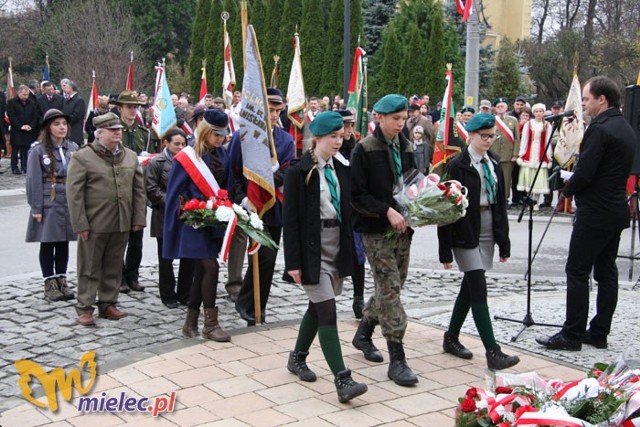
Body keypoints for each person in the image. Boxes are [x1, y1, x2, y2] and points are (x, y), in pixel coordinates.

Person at [536, 76, 635, 351]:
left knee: (577, 270)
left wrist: (567, 190)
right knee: (606, 271)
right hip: (615, 208)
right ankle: (599, 332)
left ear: (601, 100)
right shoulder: (625, 127)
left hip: (596, 211)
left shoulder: (600, 129)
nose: (583, 104)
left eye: (587, 99)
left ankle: (572, 334)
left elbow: (587, 172)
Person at [283, 111, 368, 403]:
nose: (339, 141)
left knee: (316, 306)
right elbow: (291, 221)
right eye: (333, 136)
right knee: (328, 310)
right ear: (316, 137)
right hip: (311, 249)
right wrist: (292, 262)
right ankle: (343, 380)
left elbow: (352, 207)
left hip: (336, 244)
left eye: (341, 135)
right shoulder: (299, 171)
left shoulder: (341, 168)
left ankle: (297, 358)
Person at [437, 113, 520, 370]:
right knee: (478, 286)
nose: (488, 141)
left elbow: (500, 204)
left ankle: (451, 337)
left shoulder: (493, 162)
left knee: (470, 285)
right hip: (465, 229)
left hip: (487, 227)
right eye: (483, 136)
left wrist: (503, 242)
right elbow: (446, 208)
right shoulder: (458, 165)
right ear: (470, 136)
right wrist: (445, 249)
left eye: (492, 136)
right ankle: (492, 351)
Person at [350, 94, 418, 387]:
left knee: (392, 285)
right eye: (395, 119)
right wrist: (386, 210)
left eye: (403, 119)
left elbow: (413, 180)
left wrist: (420, 204)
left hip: (403, 229)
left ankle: (364, 332)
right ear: (379, 117)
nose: (400, 125)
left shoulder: (405, 145)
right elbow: (356, 196)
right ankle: (397, 359)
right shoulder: (364, 150)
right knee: (389, 288)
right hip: (375, 230)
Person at [66, 112, 146, 326]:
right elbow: (74, 194)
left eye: (118, 129)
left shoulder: (130, 156)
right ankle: (85, 307)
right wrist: (80, 223)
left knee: (113, 265)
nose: (117, 133)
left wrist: (138, 217)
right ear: (99, 133)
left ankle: (108, 303)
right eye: (112, 130)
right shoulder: (83, 157)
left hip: (122, 221)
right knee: (89, 267)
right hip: (94, 223)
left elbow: (139, 190)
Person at [163, 110, 231, 342]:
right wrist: (190, 210)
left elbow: (225, 186)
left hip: (213, 221)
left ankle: (190, 322)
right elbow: (175, 193)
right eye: (216, 134)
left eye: (223, 134)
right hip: (193, 221)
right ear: (205, 131)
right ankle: (210, 324)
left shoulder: (223, 154)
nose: (220, 138)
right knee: (210, 268)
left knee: (202, 271)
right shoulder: (188, 157)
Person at [229, 88, 295, 326]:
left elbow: (288, 171)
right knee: (255, 255)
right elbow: (234, 172)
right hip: (248, 204)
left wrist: (266, 184)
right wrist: (243, 198)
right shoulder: (242, 137)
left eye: (278, 110)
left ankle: (255, 305)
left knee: (267, 258)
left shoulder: (285, 140)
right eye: (271, 110)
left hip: (273, 206)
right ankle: (249, 302)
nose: (275, 115)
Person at [26, 109, 79, 302]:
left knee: (63, 240)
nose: (61, 127)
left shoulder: (72, 147)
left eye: (64, 124)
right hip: (50, 201)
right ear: (48, 128)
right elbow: (33, 180)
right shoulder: (38, 150)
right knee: (48, 241)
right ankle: (49, 282)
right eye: (57, 124)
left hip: (67, 201)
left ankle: (62, 279)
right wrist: (36, 207)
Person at [144, 128, 194, 309]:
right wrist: (174, 201)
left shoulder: (191, 161)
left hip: (187, 215)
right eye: (176, 144)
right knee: (166, 257)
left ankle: (185, 293)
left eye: (183, 144)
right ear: (166, 143)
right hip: (164, 215)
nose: (180, 147)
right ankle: (167, 294)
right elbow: (151, 190)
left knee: (188, 257)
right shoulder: (157, 163)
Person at [116, 90, 151, 294]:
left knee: (136, 238)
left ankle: (133, 276)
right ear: (120, 108)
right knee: (119, 238)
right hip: (119, 189)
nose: (132, 110)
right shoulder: (114, 131)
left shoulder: (143, 133)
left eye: (135, 107)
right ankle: (118, 276)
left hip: (138, 190)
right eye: (128, 107)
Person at [336, 109, 366, 318]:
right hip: (336, 209)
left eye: (350, 125)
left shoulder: (357, 150)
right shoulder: (332, 149)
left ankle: (359, 298)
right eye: (345, 126)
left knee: (358, 256)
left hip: (354, 210)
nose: (348, 130)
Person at [516, 103, 553, 210]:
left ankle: (536, 201)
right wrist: (522, 154)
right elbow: (524, 140)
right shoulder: (529, 124)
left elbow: (548, 142)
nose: (538, 113)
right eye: (536, 111)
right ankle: (530, 200)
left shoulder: (547, 125)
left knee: (538, 179)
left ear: (543, 113)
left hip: (541, 154)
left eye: (540, 111)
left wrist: (548, 156)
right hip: (530, 152)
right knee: (529, 178)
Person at [490, 97, 520, 205]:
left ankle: (505, 200)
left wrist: (515, 154)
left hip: (508, 155)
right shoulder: (491, 120)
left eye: (502, 106)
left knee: (506, 180)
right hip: (494, 154)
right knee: (494, 178)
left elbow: (517, 139)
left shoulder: (513, 121)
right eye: (498, 106)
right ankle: (494, 199)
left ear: (506, 108)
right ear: (495, 109)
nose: (500, 108)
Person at [7, 85, 39, 174]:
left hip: (28, 130)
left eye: (27, 95)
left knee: (26, 149)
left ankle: (25, 166)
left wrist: (31, 126)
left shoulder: (31, 103)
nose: (25, 97)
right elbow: (12, 116)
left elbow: (35, 116)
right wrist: (20, 126)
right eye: (24, 94)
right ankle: (14, 167)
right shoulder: (12, 102)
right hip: (17, 130)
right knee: (15, 149)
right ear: (19, 93)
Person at [60, 78, 86, 145]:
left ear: (71, 87)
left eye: (66, 86)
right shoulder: (66, 100)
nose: (64, 88)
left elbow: (76, 116)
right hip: (66, 133)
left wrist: (65, 122)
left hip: (74, 134)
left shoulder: (79, 100)